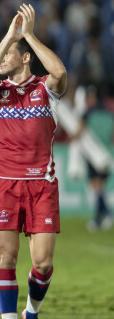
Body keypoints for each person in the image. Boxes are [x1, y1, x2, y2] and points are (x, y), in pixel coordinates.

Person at [0, 4, 67, 319]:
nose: (2, 59)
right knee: (7, 259)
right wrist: (8, 38)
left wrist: (28, 34)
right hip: (5, 185)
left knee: (42, 263)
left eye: (9, 55)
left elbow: (59, 70)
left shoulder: (47, 89)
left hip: (41, 184)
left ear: (26, 58)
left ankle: (31, 313)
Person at [71, 84, 113, 232]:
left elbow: (79, 132)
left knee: (96, 188)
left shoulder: (88, 113)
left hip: (94, 156)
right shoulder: (109, 114)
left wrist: (72, 136)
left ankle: (104, 215)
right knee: (100, 188)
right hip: (106, 154)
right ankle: (100, 218)